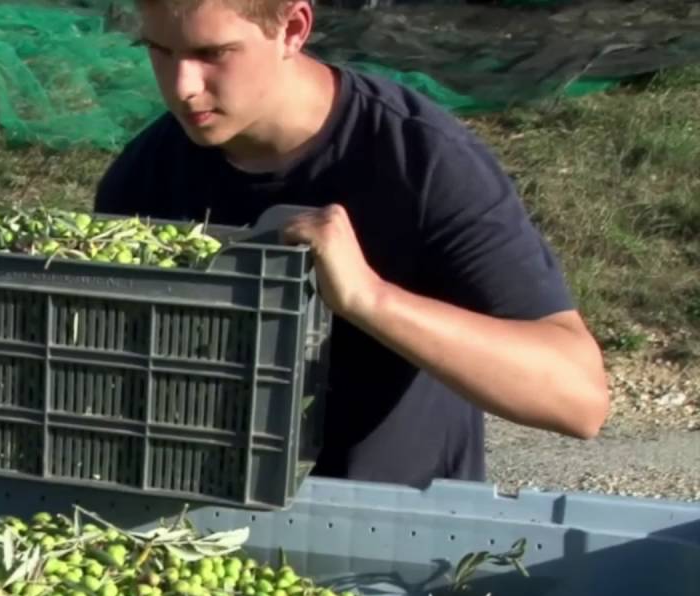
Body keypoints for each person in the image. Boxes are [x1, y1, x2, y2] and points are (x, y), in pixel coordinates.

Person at [93, 0, 609, 486]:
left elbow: (579, 399)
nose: (183, 86)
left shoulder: (421, 163)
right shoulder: (143, 178)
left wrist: (369, 298)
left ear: (293, 28)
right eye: (159, 50)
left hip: (392, 547)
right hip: (205, 530)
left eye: (212, 53)